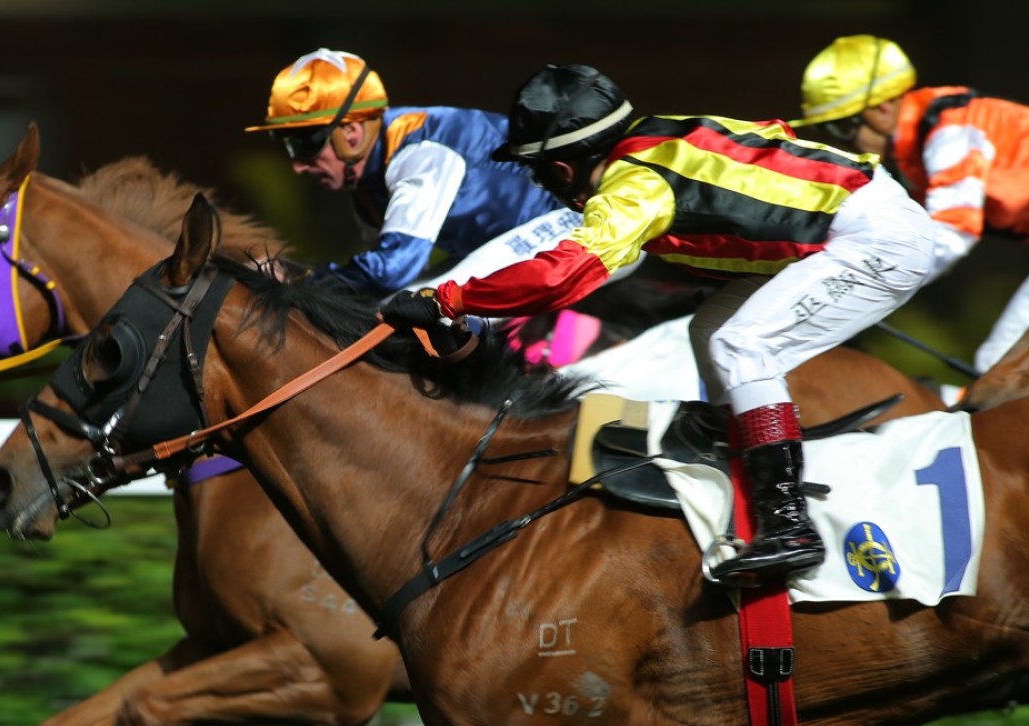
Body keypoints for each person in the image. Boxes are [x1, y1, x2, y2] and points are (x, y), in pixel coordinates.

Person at [378, 64, 937, 587]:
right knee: (712, 332)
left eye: (538, 174)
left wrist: (448, 298)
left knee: (744, 345)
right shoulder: (663, 132)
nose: (545, 188)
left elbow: (560, 279)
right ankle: (742, 451)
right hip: (862, 217)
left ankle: (790, 524)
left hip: (873, 238)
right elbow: (773, 144)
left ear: (561, 166)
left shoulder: (632, 185)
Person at [245, 48, 582, 297]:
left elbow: (393, 270)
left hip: (580, 225)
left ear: (351, 133)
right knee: (405, 306)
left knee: (430, 307)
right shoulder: (367, 181)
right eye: (290, 148)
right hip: (526, 245)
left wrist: (296, 278)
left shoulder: (419, 153)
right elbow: (372, 277)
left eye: (304, 146)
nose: (298, 165)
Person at [794, 34, 1029, 371]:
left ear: (882, 110)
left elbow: (949, 235)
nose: (841, 141)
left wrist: (858, 290)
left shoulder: (952, 132)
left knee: (998, 366)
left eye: (843, 127)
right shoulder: (917, 142)